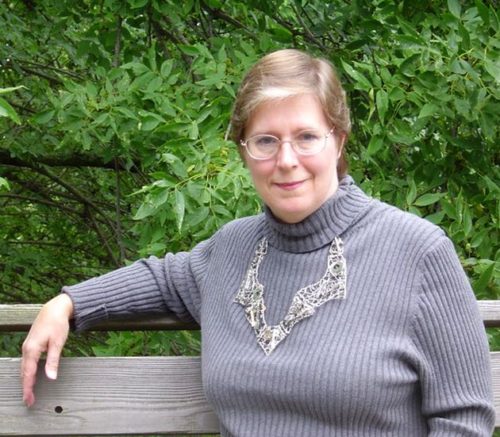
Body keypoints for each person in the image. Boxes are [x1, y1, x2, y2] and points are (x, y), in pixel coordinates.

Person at [21, 49, 495, 436]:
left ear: (340, 141)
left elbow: (465, 419)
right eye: (265, 141)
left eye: (307, 136)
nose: (286, 160)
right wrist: (67, 303)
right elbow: (164, 278)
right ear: (244, 151)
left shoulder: (417, 251)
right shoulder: (231, 250)